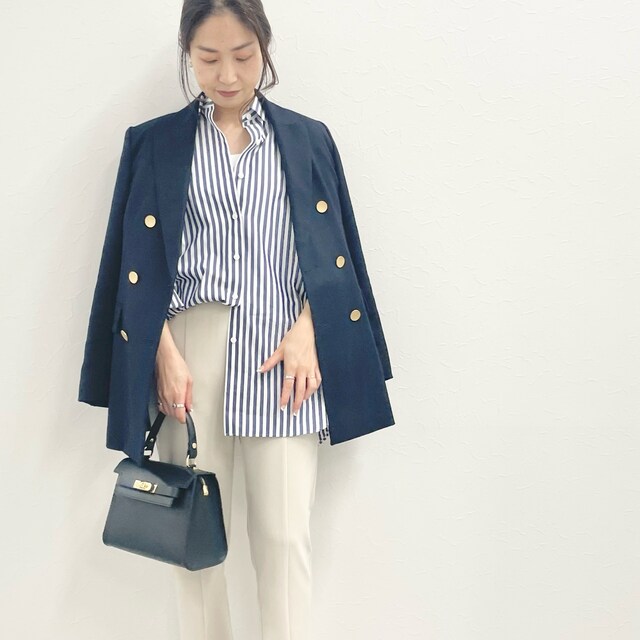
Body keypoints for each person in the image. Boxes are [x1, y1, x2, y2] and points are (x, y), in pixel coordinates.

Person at [78, 1, 395, 638]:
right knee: (192, 540)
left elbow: (338, 254)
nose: (227, 74)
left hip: (286, 357)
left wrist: (311, 328)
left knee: (285, 537)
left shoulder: (306, 139)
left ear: (265, 48)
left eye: (243, 56)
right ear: (187, 55)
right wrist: (162, 353)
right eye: (208, 58)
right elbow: (131, 263)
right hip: (190, 351)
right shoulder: (154, 143)